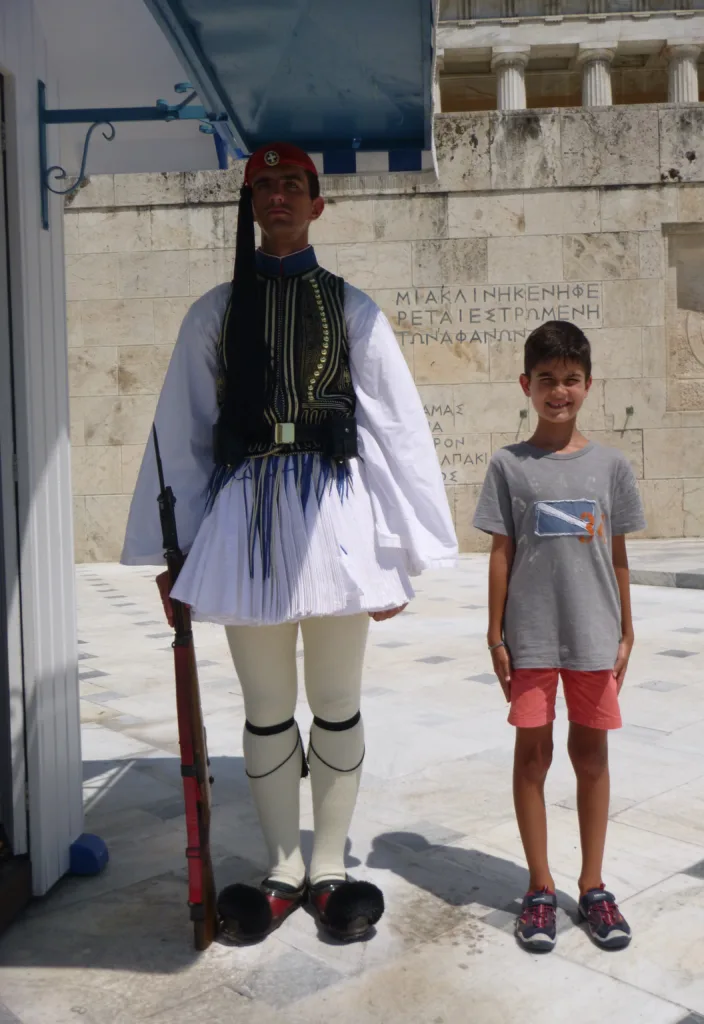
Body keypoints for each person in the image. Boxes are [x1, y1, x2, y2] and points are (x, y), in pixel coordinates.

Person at [122, 142, 457, 943]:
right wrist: (174, 554)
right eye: (264, 185)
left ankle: (330, 865)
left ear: (317, 203)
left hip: (336, 516)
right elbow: (182, 433)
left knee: (336, 703)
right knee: (268, 708)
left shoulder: (351, 308)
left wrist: (400, 553)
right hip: (245, 518)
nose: (278, 197)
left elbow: (394, 429)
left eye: (292, 186)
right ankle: (282, 867)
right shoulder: (213, 312)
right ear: (249, 202)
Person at [473, 321, 645, 953]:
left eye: (571, 379)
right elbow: (501, 553)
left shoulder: (611, 466)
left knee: (592, 757)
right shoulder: (508, 465)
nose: (559, 391)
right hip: (532, 638)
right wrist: (495, 634)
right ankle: (539, 887)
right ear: (526, 384)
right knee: (533, 757)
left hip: (593, 634)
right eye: (546, 379)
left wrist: (627, 628)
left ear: (588, 385)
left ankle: (593, 885)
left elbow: (616, 554)